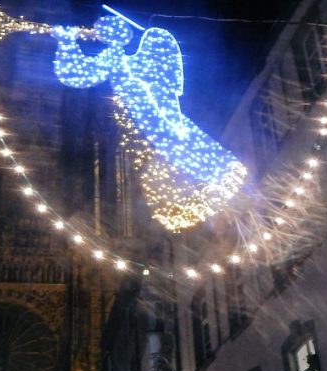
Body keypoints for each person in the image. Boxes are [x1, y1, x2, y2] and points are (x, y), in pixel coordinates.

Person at [51, 15, 247, 229]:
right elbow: (77, 75)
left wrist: (67, 41)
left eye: (105, 29)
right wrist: (66, 41)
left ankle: (216, 179)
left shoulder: (136, 53)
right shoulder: (113, 57)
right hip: (144, 118)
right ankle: (201, 190)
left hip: (153, 114)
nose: (100, 33)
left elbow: (78, 74)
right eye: (101, 30)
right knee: (173, 150)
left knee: (177, 145)